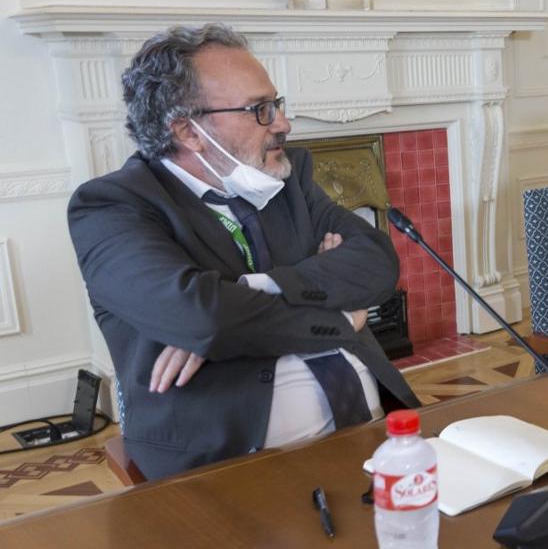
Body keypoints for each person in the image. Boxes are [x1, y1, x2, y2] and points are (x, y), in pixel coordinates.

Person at [67, 24, 420, 479]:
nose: (283, 123)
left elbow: (377, 264)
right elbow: (201, 316)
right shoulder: (112, 207)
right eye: (260, 110)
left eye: (276, 104)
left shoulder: (285, 177)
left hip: (378, 432)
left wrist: (249, 292)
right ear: (188, 131)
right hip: (230, 460)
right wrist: (339, 319)